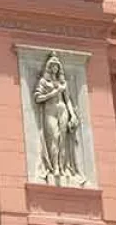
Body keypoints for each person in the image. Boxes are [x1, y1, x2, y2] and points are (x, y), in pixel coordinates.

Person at [33, 52, 84, 185]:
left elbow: (68, 101)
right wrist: (53, 93)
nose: (55, 68)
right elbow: (38, 98)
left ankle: (62, 168)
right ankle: (53, 167)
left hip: (62, 110)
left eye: (57, 66)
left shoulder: (63, 83)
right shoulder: (44, 82)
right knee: (53, 138)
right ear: (49, 67)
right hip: (50, 109)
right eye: (52, 66)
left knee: (62, 140)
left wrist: (72, 115)